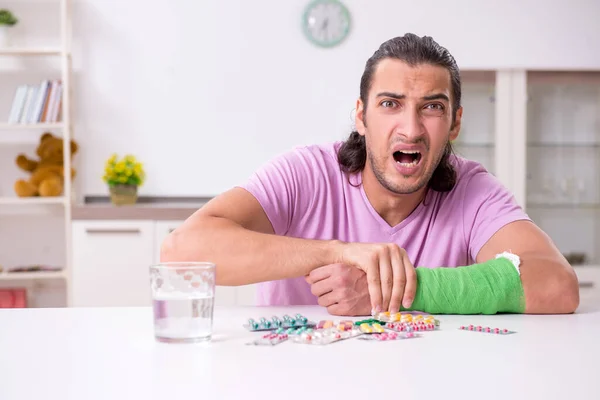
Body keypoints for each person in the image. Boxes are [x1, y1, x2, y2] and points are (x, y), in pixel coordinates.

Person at [160, 33, 579, 316]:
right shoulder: (305, 173)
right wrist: (336, 253)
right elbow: (180, 252)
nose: (411, 128)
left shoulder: (473, 190)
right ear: (361, 115)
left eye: (432, 107)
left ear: (454, 124)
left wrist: (405, 287)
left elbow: (558, 284)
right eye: (390, 104)